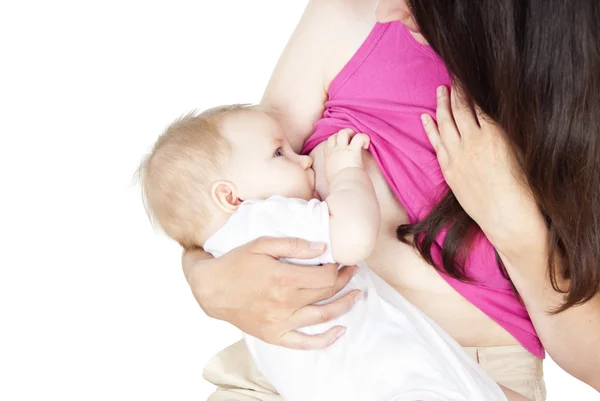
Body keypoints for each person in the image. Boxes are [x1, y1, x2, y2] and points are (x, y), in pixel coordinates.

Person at [182, 0, 600, 400]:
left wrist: (518, 230)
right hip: (295, 367)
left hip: (467, 377)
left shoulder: (580, 114)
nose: (386, 10)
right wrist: (205, 277)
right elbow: (225, 185)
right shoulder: (347, 16)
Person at [138, 105, 509, 401]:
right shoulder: (265, 218)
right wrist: (348, 172)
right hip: (387, 382)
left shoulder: (225, 250)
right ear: (230, 196)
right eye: (279, 153)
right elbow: (355, 236)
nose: (305, 161)